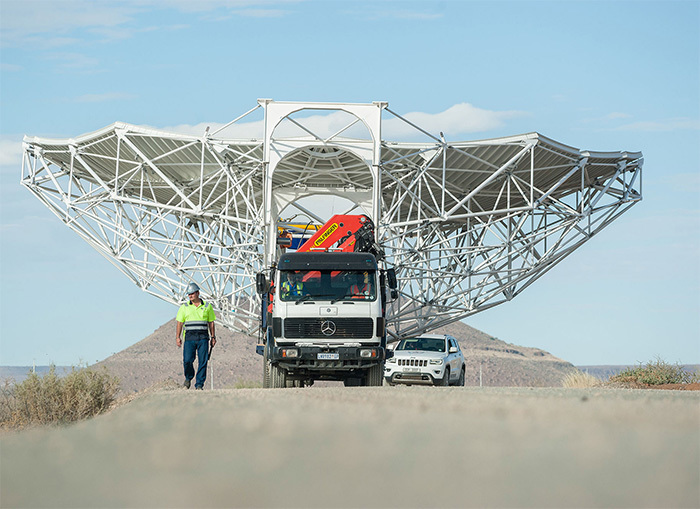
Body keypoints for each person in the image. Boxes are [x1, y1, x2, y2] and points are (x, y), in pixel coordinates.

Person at [175, 282, 216, 390]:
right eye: (188, 294)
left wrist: (213, 337)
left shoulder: (207, 306)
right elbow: (179, 323)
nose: (190, 296)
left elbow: (211, 322)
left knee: (203, 361)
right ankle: (188, 377)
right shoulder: (184, 307)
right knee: (187, 360)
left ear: (198, 293)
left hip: (203, 338)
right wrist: (178, 337)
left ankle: (199, 384)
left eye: (192, 294)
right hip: (189, 338)